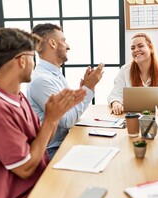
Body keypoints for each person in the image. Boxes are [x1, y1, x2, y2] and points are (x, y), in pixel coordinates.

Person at [0, 28, 86, 198]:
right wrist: (52, 118)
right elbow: (25, 168)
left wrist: (53, 118)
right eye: (32, 56)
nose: (34, 63)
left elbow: (39, 141)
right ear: (21, 60)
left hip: (40, 187)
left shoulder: (17, 97)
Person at [27, 23, 104, 159]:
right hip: (53, 151)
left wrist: (81, 92)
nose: (68, 46)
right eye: (63, 40)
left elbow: (67, 113)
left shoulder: (54, 74)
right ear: (52, 43)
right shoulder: (41, 81)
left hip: (65, 142)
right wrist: (88, 88)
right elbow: (67, 121)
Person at [107, 32, 158, 115]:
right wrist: (116, 104)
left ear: (151, 48)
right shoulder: (125, 70)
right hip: (133, 117)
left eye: (140, 46)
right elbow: (115, 93)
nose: (136, 50)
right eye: (133, 48)